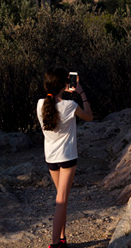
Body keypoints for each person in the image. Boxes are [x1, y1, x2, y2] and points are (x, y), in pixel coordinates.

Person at [37, 68, 93, 248]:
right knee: (61, 200)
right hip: (67, 157)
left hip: (51, 158)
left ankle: (62, 238)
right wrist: (81, 93)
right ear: (63, 84)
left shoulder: (40, 104)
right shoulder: (70, 106)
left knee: (62, 198)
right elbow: (89, 117)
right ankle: (54, 243)